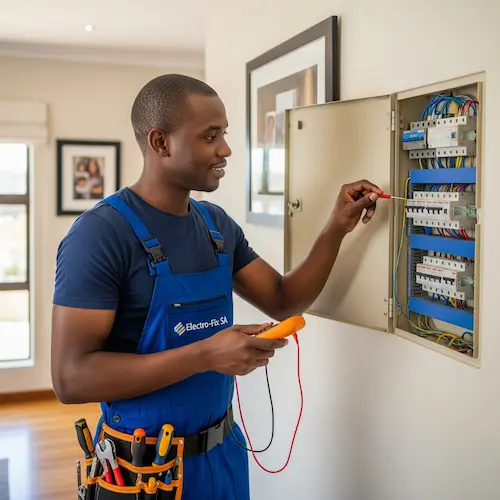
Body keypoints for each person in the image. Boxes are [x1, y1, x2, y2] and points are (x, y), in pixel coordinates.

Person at [50, 74, 381, 500]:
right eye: (210, 136)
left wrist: (337, 225)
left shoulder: (215, 226)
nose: (225, 149)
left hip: (223, 456)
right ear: (160, 142)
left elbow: (284, 300)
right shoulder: (100, 235)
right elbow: (70, 378)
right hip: (141, 470)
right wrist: (206, 353)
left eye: (223, 135)